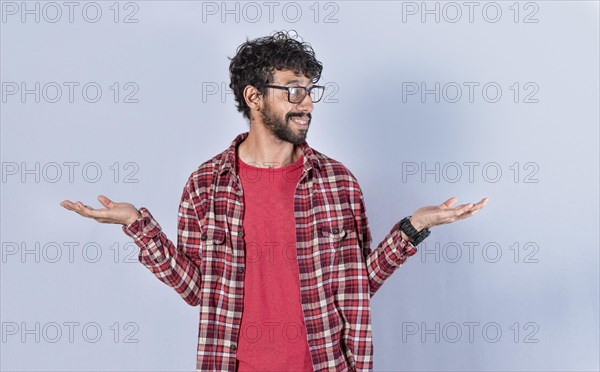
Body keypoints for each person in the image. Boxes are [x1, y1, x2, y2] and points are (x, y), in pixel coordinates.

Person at [60, 30, 488, 372]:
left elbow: (357, 287)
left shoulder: (337, 183)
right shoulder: (206, 185)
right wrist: (138, 225)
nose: (308, 103)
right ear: (253, 96)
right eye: (293, 91)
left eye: (310, 90)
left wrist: (414, 227)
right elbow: (196, 290)